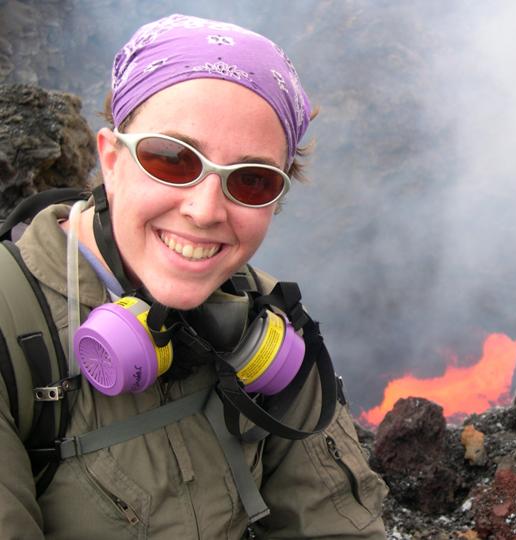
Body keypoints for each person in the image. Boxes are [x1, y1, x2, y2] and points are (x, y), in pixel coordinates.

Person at [0, 13, 388, 539]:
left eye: (251, 180)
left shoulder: (262, 323)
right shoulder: (12, 329)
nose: (206, 210)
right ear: (111, 159)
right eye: (173, 159)